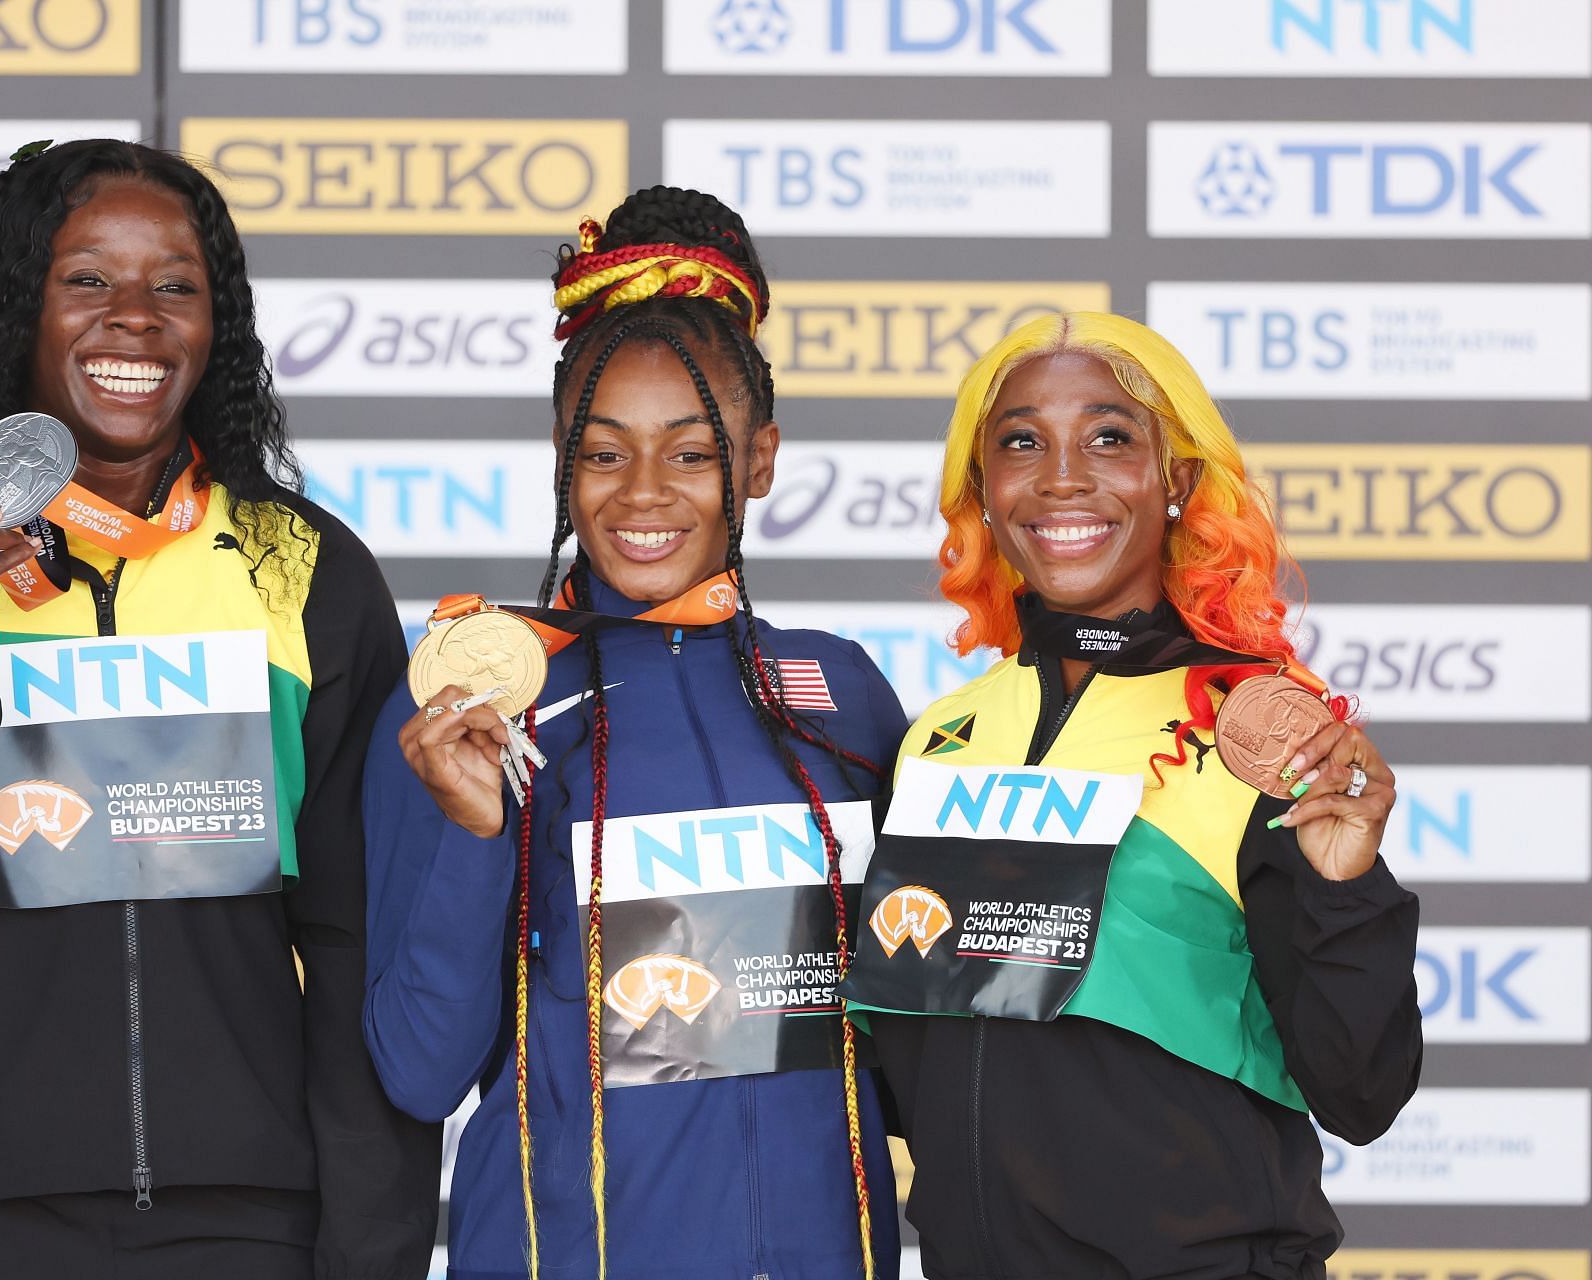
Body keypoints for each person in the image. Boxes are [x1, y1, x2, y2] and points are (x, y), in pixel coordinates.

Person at [0, 139, 438, 1279]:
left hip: (243, 1214)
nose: (134, 317)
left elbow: (353, 944)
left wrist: (373, 1246)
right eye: (87, 278)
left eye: (174, 284)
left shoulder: (302, 572)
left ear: (215, 322)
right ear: (18, 310)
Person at [362, 187, 905, 1279]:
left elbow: (914, 1036)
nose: (642, 495)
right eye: (604, 453)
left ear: (758, 462)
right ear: (562, 452)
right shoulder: (476, 702)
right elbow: (420, 1071)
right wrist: (474, 838)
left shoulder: (839, 694)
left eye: (692, 452)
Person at [841, 312, 1422, 1280]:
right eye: (1021, 441)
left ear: (1177, 480)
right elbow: (921, 1064)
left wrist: (1346, 889)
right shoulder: (940, 735)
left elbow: (1363, 1092)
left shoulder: (1259, 728)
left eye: (1110, 437)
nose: (1063, 474)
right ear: (982, 489)